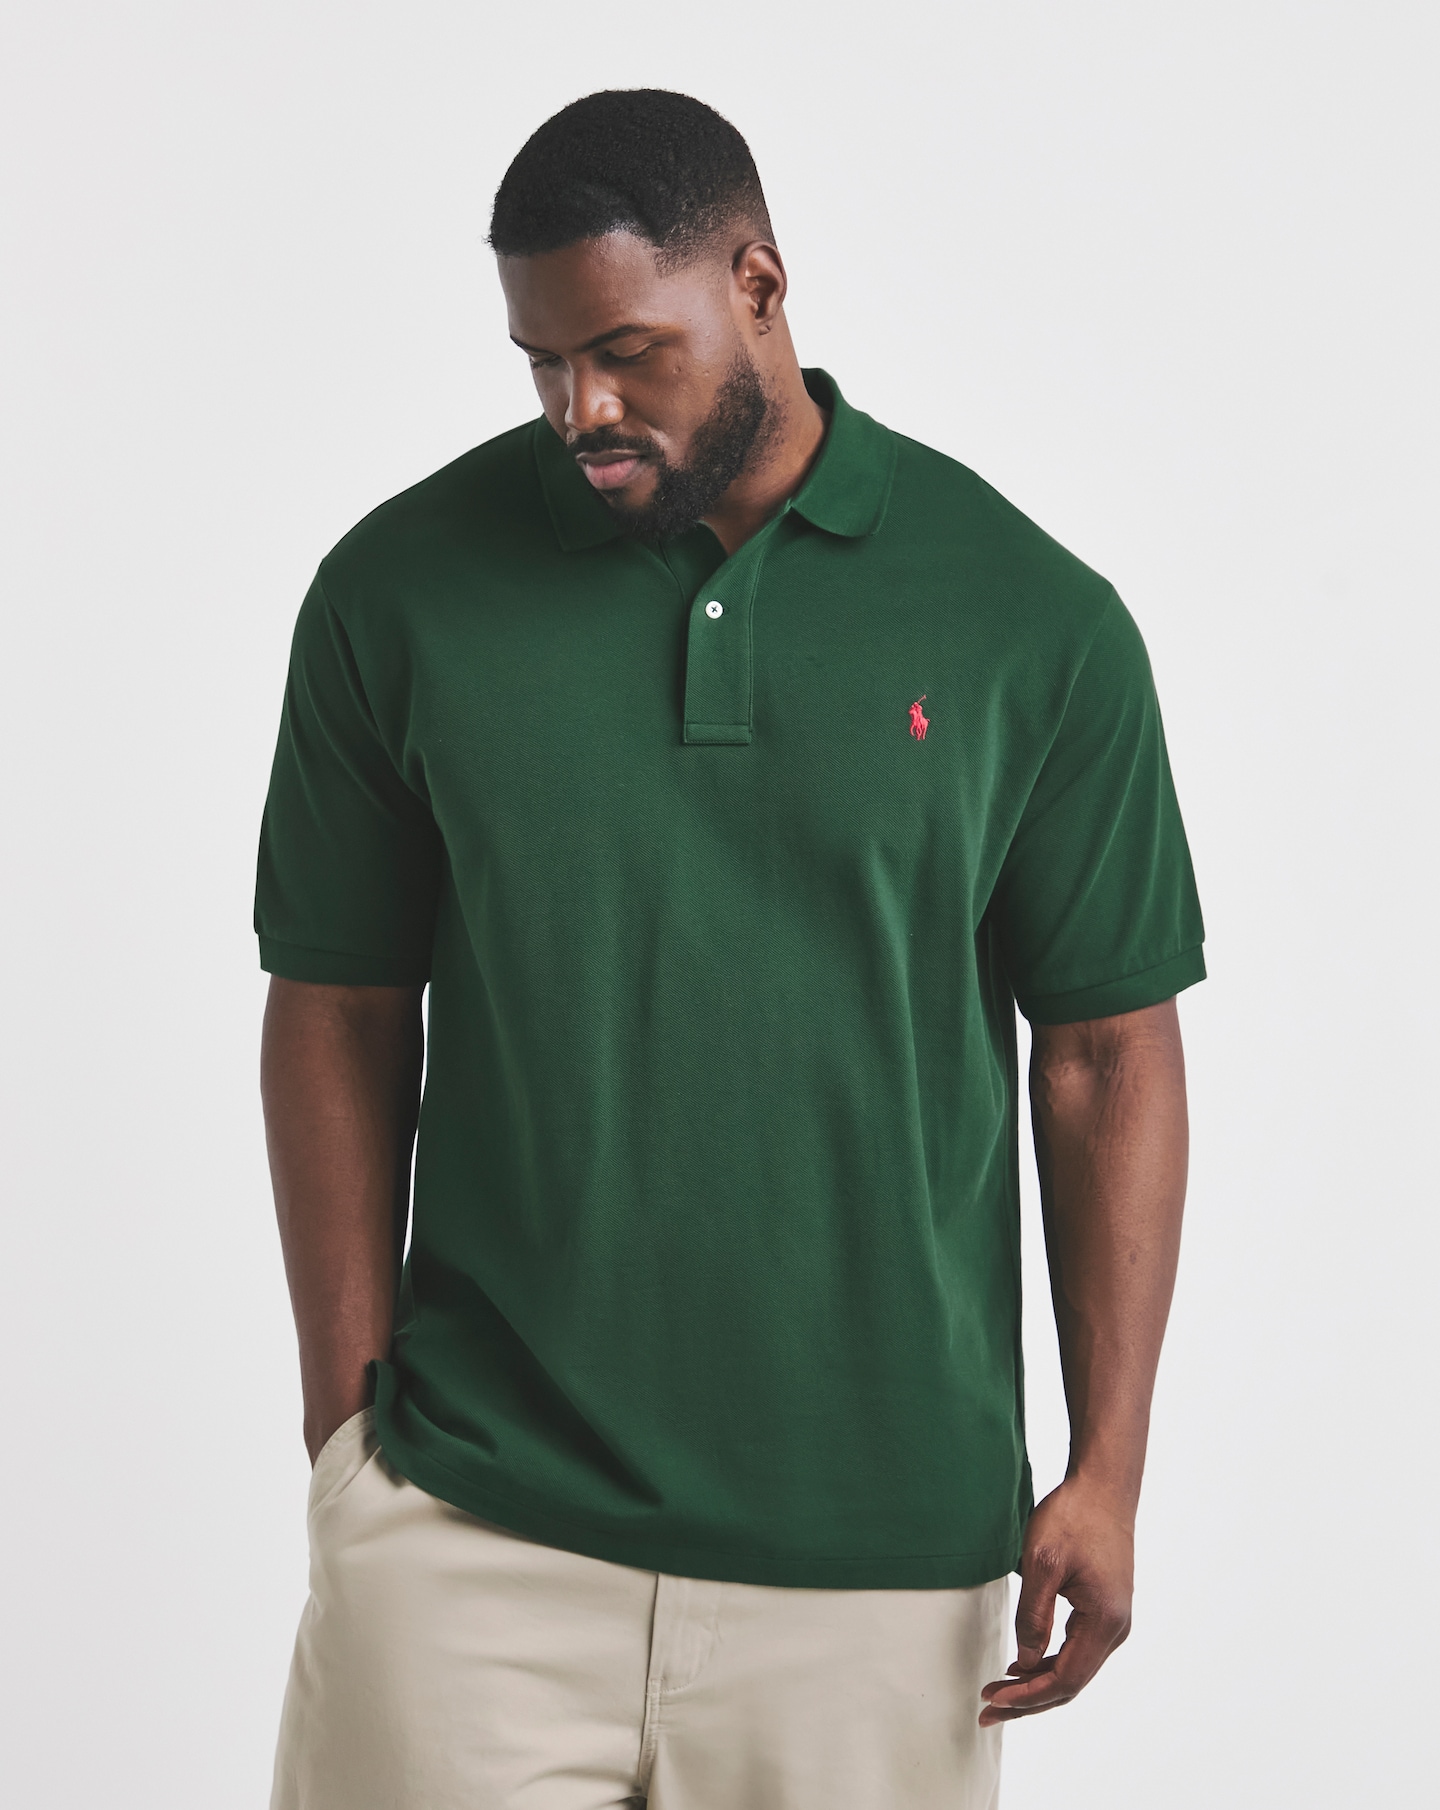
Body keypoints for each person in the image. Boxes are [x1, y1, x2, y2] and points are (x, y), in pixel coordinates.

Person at [256, 88, 1204, 1810]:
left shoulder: (1030, 620)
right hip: (473, 1535)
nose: (582, 410)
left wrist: (1110, 1463)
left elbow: (1105, 1054)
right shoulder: (397, 592)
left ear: (760, 282)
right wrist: (347, 1434)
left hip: (880, 1573)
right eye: (543, 362)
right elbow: (336, 1007)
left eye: (626, 352)